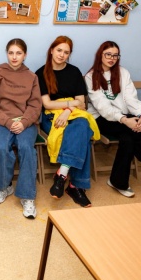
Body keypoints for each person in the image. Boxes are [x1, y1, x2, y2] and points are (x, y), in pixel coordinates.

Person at [85, 41, 141, 197]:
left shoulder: (123, 73)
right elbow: (103, 107)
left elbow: (131, 99)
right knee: (132, 129)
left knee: (128, 138)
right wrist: (125, 120)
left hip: (124, 118)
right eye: (108, 54)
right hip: (101, 119)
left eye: (115, 55)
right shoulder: (91, 76)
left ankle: (117, 182)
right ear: (100, 55)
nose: (112, 58)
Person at [36, 36, 99, 208]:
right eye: (59, 50)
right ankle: (75, 186)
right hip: (51, 117)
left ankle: (62, 174)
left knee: (81, 126)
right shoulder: (41, 73)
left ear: (69, 54)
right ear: (51, 50)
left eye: (66, 52)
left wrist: (67, 111)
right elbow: (47, 104)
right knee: (82, 134)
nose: (61, 55)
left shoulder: (74, 72)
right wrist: (70, 105)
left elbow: (82, 103)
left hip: (74, 114)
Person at [0, 39, 42, 218]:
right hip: (1, 121)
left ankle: (27, 196)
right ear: (7, 54)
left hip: (26, 122)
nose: (14, 57)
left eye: (18, 53)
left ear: (25, 55)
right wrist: (8, 122)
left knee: (26, 148)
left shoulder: (32, 77)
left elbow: (35, 106)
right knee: (0, 147)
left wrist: (24, 122)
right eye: (11, 53)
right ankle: (4, 187)